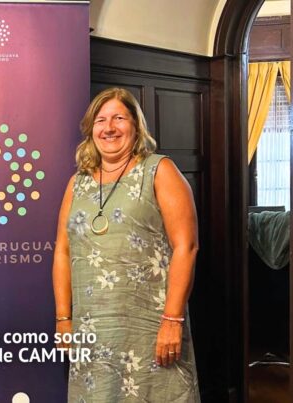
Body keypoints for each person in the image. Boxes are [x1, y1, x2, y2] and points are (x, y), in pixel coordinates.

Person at [52, 87, 200, 402]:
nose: (109, 128)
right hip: (91, 331)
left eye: (119, 118)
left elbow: (186, 247)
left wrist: (173, 320)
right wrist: (63, 319)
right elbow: (63, 252)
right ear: (91, 129)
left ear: (136, 125)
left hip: (150, 328)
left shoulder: (159, 170)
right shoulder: (77, 183)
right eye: (101, 120)